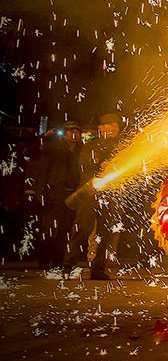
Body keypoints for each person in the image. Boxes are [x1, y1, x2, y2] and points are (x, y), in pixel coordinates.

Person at [63, 113, 124, 280]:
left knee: (107, 232)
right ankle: (68, 266)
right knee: (82, 228)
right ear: (100, 128)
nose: (113, 129)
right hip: (90, 194)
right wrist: (100, 165)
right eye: (109, 125)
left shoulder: (122, 146)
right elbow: (85, 165)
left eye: (115, 126)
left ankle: (99, 269)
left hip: (111, 194)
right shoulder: (91, 146)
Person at [27, 122, 82, 269]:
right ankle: (45, 260)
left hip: (72, 194)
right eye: (71, 131)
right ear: (65, 133)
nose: (74, 134)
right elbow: (43, 169)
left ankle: (58, 260)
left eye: (77, 131)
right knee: (49, 228)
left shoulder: (80, 150)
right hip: (54, 192)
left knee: (64, 229)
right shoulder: (53, 148)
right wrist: (41, 191)